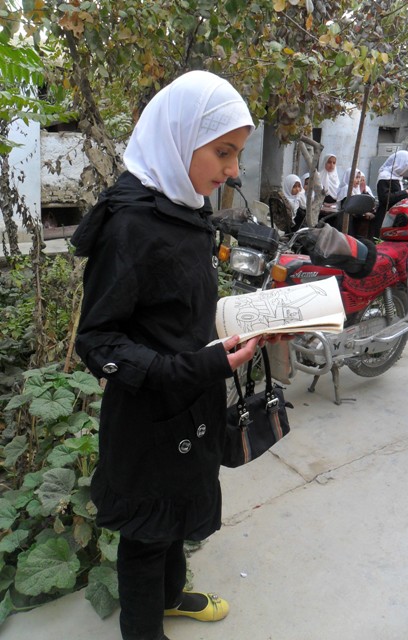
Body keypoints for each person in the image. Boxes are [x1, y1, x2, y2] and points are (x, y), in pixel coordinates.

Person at [71, 70, 265, 640]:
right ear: (180, 138)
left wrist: (239, 323)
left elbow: (172, 304)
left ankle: (172, 595)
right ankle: (143, 629)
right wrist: (202, 365)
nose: (232, 170)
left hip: (189, 401)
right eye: (223, 152)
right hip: (148, 414)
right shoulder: (130, 223)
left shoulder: (185, 207)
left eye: (238, 154)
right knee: (146, 533)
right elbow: (98, 340)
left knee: (177, 515)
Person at [373, 150, 408, 239]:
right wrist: (405, 193)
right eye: (406, 166)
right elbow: (385, 198)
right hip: (385, 216)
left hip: (394, 217)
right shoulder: (385, 177)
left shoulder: (397, 178)